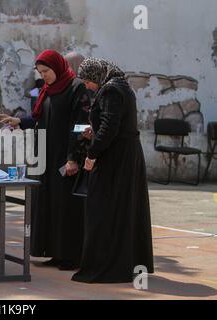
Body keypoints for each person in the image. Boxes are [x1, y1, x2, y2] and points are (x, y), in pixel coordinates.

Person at [0, 50, 90, 270]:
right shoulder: (48, 90)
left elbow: (80, 125)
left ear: (58, 67)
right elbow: (41, 120)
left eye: (46, 71)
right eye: (40, 72)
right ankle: (55, 251)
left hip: (65, 156)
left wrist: (74, 157)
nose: (44, 76)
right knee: (49, 204)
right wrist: (19, 121)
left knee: (66, 207)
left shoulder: (76, 87)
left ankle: (71, 255)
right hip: (46, 157)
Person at [71, 58, 154, 283]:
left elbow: (110, 127)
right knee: (124, 208)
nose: (87, 86)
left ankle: (107, 265)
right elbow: (112, 124)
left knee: (105, 210)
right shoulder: (121, 86)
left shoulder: (110, 91)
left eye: (88, 81)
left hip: (115, 158)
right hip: (126, 155)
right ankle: (127, 262)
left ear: (97, 75)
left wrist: (91, 154)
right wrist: (95, 130)